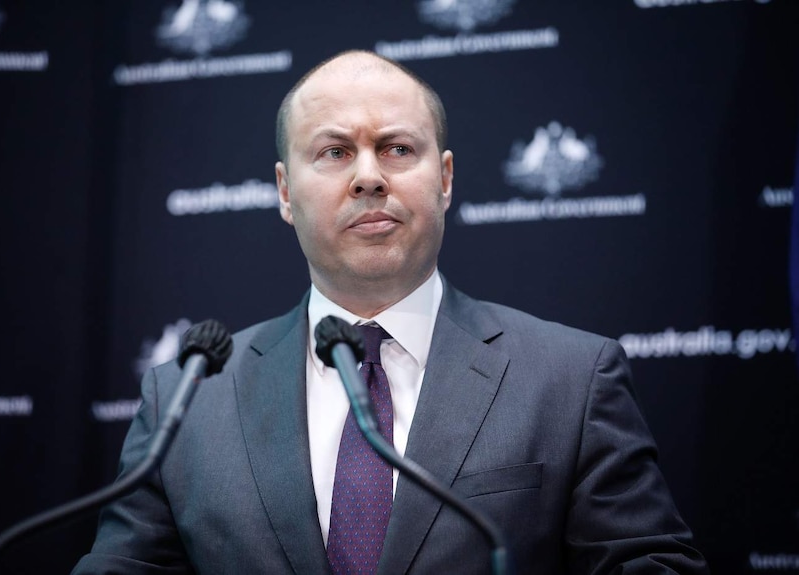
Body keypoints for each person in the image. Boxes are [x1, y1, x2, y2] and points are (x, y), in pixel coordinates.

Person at [72, 50, 709, 574]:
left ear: (446, 178)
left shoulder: (571, 378)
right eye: (335, 152)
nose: (370, 177)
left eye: (398, 149)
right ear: (286, 192)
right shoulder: (189, 396)